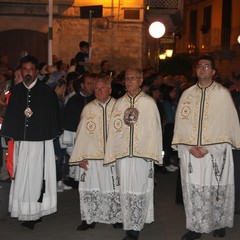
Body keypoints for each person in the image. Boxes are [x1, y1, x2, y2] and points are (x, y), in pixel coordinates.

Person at [172, 55, 240, 240]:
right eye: (199, 66)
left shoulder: (223, 94)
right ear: (196, 70)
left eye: (207, 66)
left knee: (216, 188)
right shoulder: (187, 94)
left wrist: (209, 147)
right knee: (195, 190)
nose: (202, 69)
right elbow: (181, 125)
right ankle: (196, 227)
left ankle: (219, 223)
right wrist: (188, 146)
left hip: (215, 153)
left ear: (214, 71)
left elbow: (228, 125)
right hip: (191, 153)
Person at [0, 55, 61, 230]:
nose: (28, 73)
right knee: (22, 176)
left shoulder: (46, 92)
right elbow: (11, 116)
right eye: (24, 69)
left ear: (36, 71)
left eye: (31, 69)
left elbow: (52, 118)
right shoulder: (17, 91)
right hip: (22, 143)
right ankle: (24, 209)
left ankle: (35, 212)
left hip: (39, 144)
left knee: (36, 177)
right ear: (21, 71)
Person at [104, 67, 163, 240]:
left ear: (141, 80)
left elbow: (155, 130)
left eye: (133, 78)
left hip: (141, 155)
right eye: (127, 78)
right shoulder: (119, 103)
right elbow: (114, 130)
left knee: (138, 189)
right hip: (123, 156)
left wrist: (151, 152)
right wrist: (114, 151)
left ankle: (134, 228)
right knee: (125, 190)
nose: (129, 81)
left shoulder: (148, 103)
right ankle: (129, 220)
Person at [69, 76, 122, 230]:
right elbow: (81, 135)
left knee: (113, 188)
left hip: (113, 157)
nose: (98, 91)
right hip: (92, 158)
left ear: (110, 90)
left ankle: (115, 216)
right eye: (96, 88)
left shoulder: (118, 107)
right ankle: (89, 218)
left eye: (102, 88)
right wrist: (80, 157)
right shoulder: (88, 108)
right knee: (90, 188)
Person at [63, 73, 95, 187]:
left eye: (93, 84)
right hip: (76, 135)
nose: (92, 86)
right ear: (82, 85)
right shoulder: (73, 100)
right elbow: (68, 121)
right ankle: (75, 180)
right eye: (89, 83)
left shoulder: (96, 100)